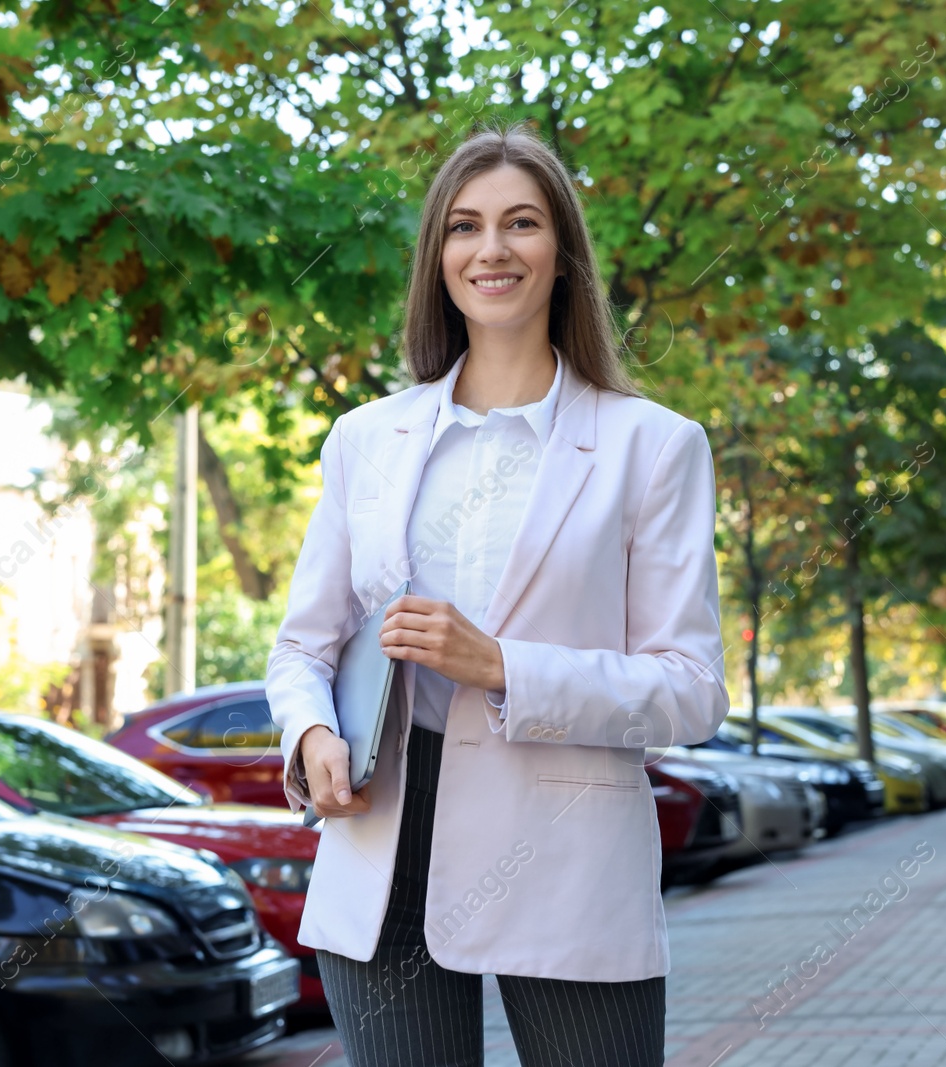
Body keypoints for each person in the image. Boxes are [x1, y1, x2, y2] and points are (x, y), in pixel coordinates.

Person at [264, 119, 729, 1066]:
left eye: (521, 223)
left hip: (565, 855)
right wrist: (310, 734)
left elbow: (691, 688)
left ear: (562, 255)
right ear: (439, 257)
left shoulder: (654, 445)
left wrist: (501, 665)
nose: (492, 249)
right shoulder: (366, 439)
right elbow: (304, 648)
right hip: (380, 834)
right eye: (465, 226)